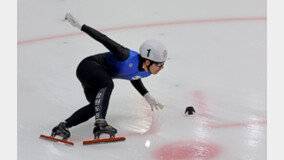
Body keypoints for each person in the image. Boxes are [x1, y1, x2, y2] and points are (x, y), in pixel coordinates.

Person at [51, 13, 168, 140]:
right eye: (159, 64)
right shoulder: (125, 55)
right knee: (108, 84)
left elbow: (134, 77)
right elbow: (104, 39)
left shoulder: (147, 71)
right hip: (88, 67)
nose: (162, 67)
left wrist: (146, 95)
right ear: (147, 61)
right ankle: (100, 123)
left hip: (95, 78)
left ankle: (63, 126)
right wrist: (80, 26)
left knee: (95, 107)